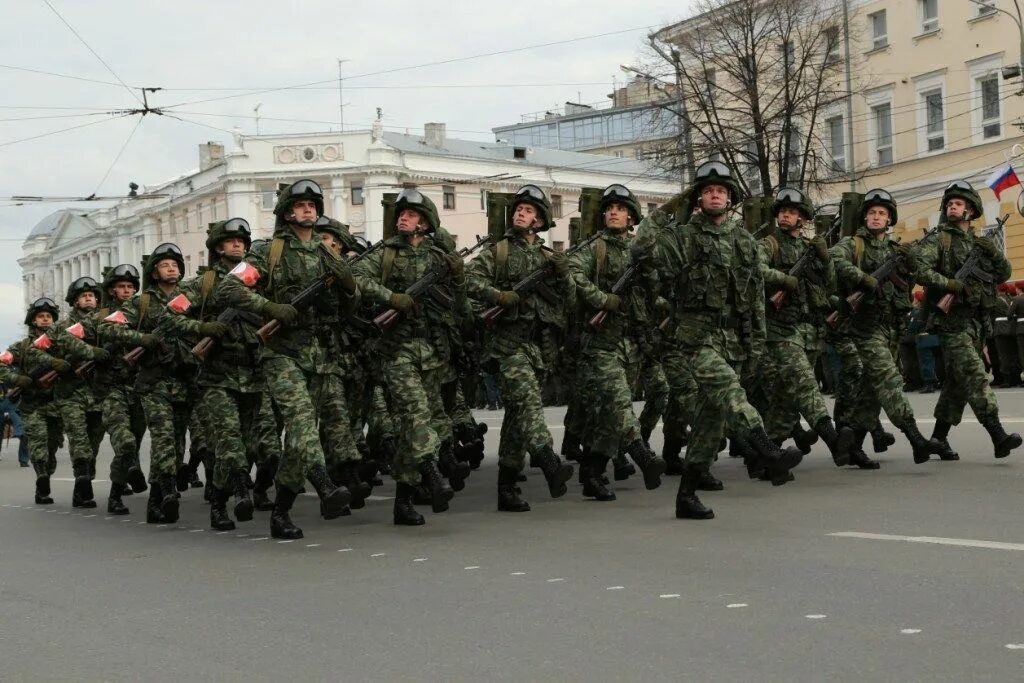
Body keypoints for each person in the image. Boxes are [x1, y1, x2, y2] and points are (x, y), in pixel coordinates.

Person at [639, 161, 802, 520]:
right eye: (708, 190)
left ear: (730, 199)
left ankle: (686, 496)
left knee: (710, 422)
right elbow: (642, 250)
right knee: (731, 392)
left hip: (733, 340)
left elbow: (755, 296)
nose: (715, 194)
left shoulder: (743, 240)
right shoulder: (683, 237)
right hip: (696, 338)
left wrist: (755, 346)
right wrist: (667, 210)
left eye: (721, 190)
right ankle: (768, 452)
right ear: (698, 198)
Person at [216, 180, 358, 539]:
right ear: (287, 212)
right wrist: (268, 307)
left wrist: (349, 285)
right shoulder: (269, 251)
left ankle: (281, 512)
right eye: (300, 205)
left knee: (298, 440)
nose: (307, 209)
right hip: (281, 353)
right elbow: (229, 288)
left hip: (319, 355)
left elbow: (350, 308)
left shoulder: (329, 254)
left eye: (312, 204)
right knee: (301, 421)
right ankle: (325, 486)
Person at [353, 187, 464, 523]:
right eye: (401, 213)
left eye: (411, 214)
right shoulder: (385, 253)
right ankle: (432, 474)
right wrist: (391, 297)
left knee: (413, 426)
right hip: (396, 350)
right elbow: (356, 277)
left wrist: (458, 276)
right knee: (415, 414)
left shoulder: (438, 257)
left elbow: (459, 301)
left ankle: (403, 502)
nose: (403, 217)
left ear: (426, 223)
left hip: (429, 350)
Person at [466, 184, 575, 512]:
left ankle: (507, 485)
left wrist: (564, 274)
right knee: (528, 403)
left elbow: (568, 301)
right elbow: (470, 281)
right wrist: (498, 297)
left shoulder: (548, 258)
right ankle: (548, 461)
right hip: (508, 346)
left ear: (540, 221)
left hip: (538, 347)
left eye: (528, 210)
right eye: (518, 209)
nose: (520, 213)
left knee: (516, 418)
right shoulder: (499, 252)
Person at [830, 189, 942, 465]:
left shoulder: (894, 250)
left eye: (882, 213)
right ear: (864, 217)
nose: (876, 217)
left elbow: (910, 282)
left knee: (870, 391)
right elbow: (833, 258)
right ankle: (916, 439)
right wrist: (863, 278)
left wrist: (910, 263)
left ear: (889, 218)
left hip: (890, 327)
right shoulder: (853, 244)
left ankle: (853, 447)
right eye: (872, 213)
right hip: (865, 327)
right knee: (890, 382)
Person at [568, 183, 665, 501]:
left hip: (632, 343)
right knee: (620, 403)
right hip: (601, 343)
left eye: (621, 209)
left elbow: (655, 291)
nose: (614, 212)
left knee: (611, 415)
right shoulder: (594, 248)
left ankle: (592, 474)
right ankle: (644, 457)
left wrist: (650, 274)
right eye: (610, 208)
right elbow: (574, 276)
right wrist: (603, 300)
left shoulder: (640, 250)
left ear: (632, 216)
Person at [915, 180, 1022, 459]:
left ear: (971, 211)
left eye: (959, 204)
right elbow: (919, 269)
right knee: (975, 377)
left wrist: (993, 251)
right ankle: (998, 436)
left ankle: (937, 439)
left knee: (956, 384)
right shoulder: (940, 239)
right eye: (950, 203)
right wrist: (950, 284)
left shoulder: (978, 243)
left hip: (977, 324)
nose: (953, 207)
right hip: (953, 324)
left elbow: (1003, 273)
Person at [757, 187, 855, 468]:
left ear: (803, 218)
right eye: (783, 212)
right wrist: (783, 280)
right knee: (805, 384)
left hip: (809, 332)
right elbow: (756, 270)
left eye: (792, 212)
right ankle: (833, 439)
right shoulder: (769, 244)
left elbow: (831, 285)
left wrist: (825, 258)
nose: (786, 216)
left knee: (786, 398)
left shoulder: (808, 248)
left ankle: (766, 458)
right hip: (779, 331)